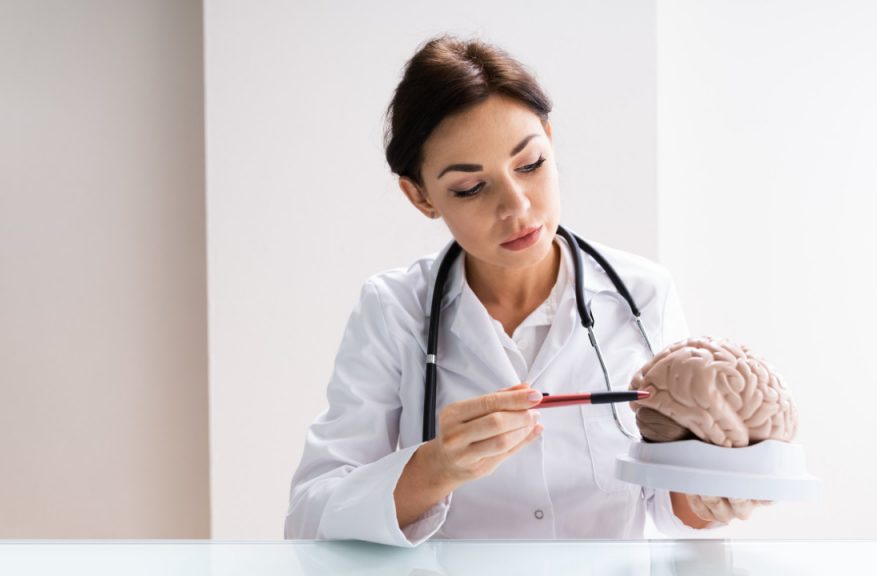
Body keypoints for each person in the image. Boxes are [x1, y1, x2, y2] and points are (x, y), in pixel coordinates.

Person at [285, 34, 735, 546]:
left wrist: (719, 492)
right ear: (420, 196)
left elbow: (670, 504)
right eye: (470, 188)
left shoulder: (643, 294)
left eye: (530, 164)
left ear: (549, 136)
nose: (517, 207)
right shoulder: (393, 310)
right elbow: (308, 516)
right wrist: (436, 467)